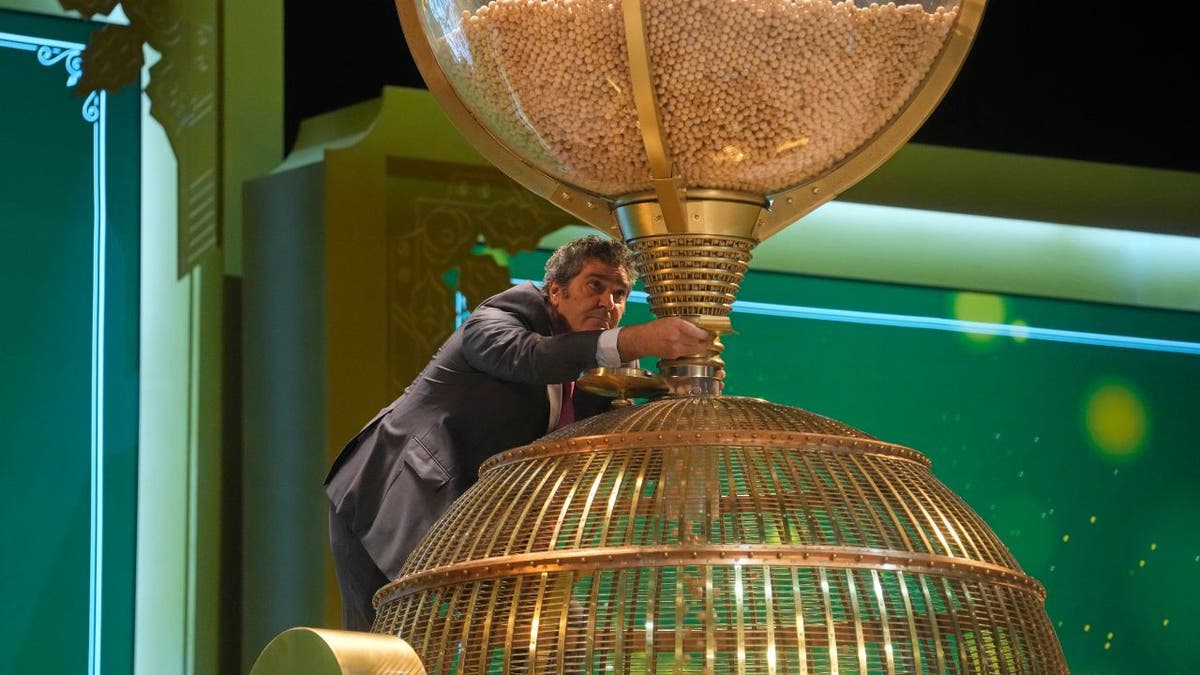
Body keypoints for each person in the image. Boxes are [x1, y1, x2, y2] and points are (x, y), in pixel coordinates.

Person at [324, 235, 714, 630]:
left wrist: (689, 392)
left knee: (563, 633)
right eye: (595, 286)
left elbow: (628, 449)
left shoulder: (591, 376)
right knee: (382, 647)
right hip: (392, 495)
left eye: (620, 294)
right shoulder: (497, 320)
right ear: (556, 291)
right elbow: (531, 357)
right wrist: (638, 340)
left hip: (480, 528)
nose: (607, 304)